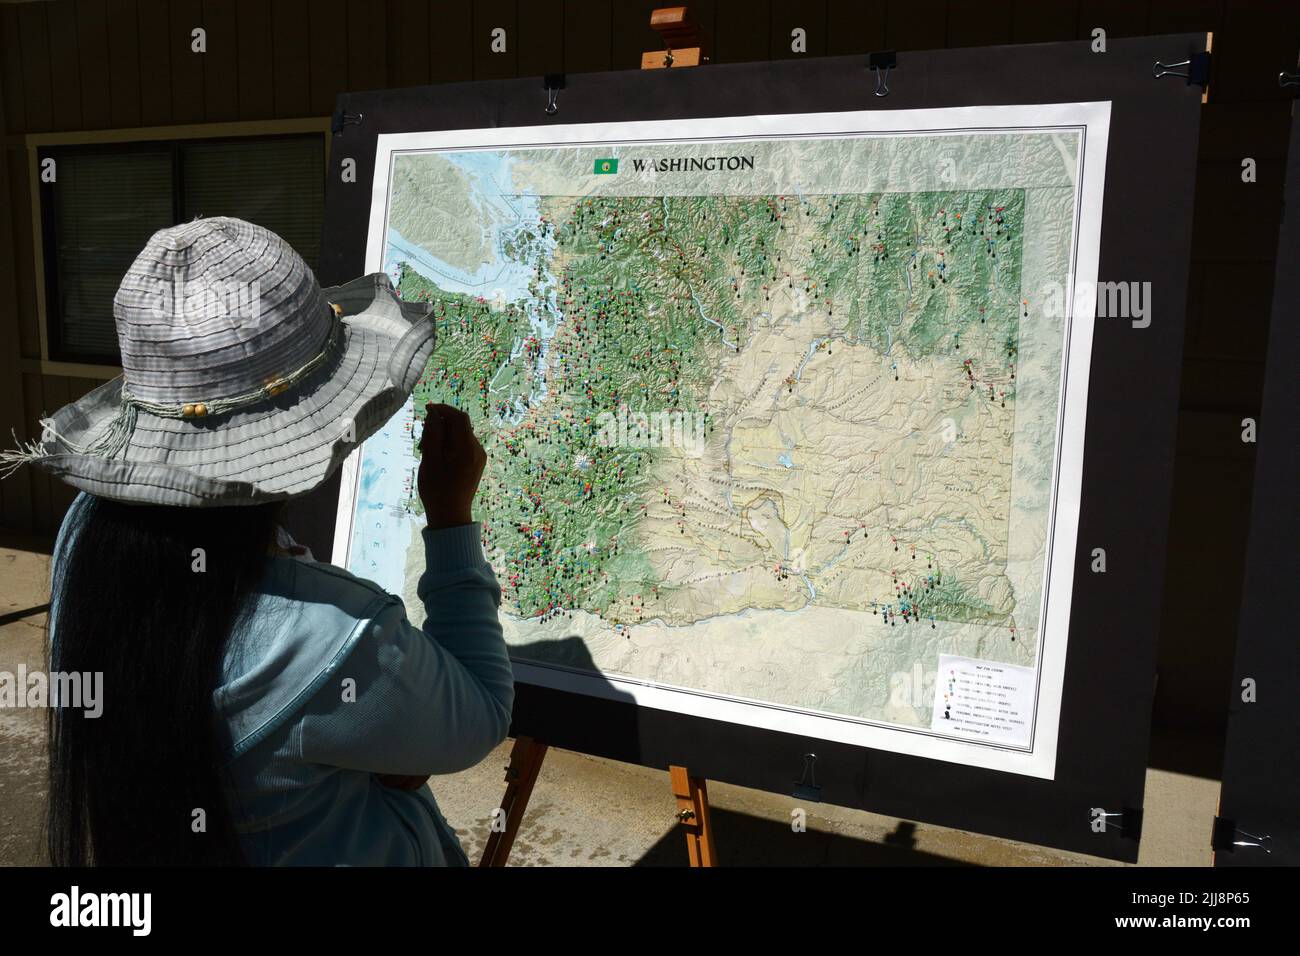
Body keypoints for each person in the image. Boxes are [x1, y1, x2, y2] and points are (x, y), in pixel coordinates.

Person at [0, 217, 514, 866]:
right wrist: (451, 520)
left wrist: (344, 742)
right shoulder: (336, 641)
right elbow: (483, 711)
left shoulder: (83, 538)